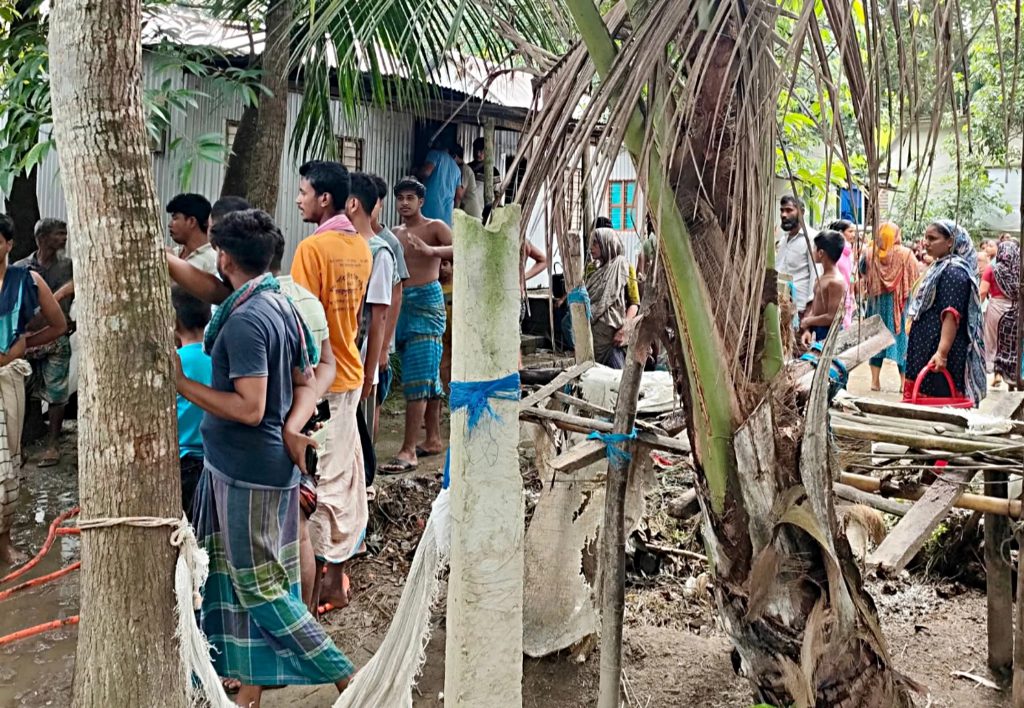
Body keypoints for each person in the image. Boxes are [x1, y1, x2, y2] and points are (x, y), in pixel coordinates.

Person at [175, 209, 353, 706]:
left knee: (259, 587)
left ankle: (347, 677)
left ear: (225, 258)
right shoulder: (276, 300)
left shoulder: (246, 321)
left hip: (248, 470)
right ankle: (248, 692)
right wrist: (292, 427)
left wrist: (182, 384)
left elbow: (250, 408)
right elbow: (305, 379)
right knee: (244, 582)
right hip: (257, 465)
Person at [290, 160, 372, 612]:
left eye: (303, 192)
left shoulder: (312, 250)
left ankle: (326, 582)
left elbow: (303, 327)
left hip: (322, 379)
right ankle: (334, 577)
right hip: (349, 371)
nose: (298, 199)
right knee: (346, 472)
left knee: (324, 482)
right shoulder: (361, 247)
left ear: (324, 198)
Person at [0, 215, 66, 564]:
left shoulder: (26, 280)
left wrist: (23, 345)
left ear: (9, 244)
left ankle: (3, 541)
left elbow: (58, 324)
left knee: (7, 463)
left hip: (8, 377)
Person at [380, 177, 452, 473]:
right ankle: (432, 439)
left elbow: (463, 249)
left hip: (427, 302)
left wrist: (432, 252)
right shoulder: (395, 233)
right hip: (402, 303)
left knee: (418, 376)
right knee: (427, 374)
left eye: (410, 198)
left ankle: (408, 450)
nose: (404, 203)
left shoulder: (435, 227)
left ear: (421, 201)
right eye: (400, 198)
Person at [904, 220, 986, 406]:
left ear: (950, 242)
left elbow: (951, 315)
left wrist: (941, 353)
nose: (926, 243)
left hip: (938, 351)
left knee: (938, 403)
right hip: (927, 347)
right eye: (926, 238)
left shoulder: (954, 273)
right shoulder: (939, 267)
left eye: (933, 238)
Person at [17, 218, 74, 468]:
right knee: (22, 392)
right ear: (42, 238)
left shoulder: (69, 266)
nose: (64, 239)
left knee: (57, 393)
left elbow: (81, 287)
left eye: (64, 234)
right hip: (28, 339)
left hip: (57, 337)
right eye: (58, 234)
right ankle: (18, 447)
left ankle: (53, 445)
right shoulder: (21, 268)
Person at [349, 172, 396, 433]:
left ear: (353, 204)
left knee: (363, 429)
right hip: (341, 359)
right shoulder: (342, 244)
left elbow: (380, 315)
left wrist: (370, 372)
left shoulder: (380, 252)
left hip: (363, 354)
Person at [861, 222, 919, 392]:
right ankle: (903, 383)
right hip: (900, 305)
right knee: (903, 341)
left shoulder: (870, 253)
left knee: (876, 340)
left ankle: (875, 382)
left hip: (877, 304)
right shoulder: (907, 254)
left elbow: (862, 271)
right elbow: (916, 277)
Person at [369, 174, 408, 423]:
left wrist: (384, 347)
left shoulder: (388, 244)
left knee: (373, 399)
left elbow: (396, 295)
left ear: (381, 204)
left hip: (378, 336)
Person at [171, 286, 212, 521]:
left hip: (182, 463)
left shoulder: (174, 363)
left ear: (174, 322)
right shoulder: (219, 358)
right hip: (213, 461)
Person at [586, 227, 634, 368]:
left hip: (613, 340)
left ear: (607, 243)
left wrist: (624, 330)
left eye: (595, 243)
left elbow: (634, 303)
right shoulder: (592, 269)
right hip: (593, 340)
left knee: (616, 377)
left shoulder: (623, 267)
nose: (591, 247)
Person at [799, 230, 848, 346]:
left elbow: (832, 317)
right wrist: (808, 329)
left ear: (821, 253)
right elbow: (815, 308)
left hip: (829, 333)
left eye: (814, 248)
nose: (812, 251)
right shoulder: (821, 277)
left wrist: (808, 321)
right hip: (817, 329)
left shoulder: (836, 282)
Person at [775, 195, 819, 314]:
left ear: (801, 212)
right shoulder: (783, 240)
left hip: (800, 309)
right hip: (781, 308)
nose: (784, 215)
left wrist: (809, 309)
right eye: (782, 210)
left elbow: (816, 275)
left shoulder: (811, 238)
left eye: (789, 210)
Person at [988, 241, 1020, 387]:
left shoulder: (993, 269)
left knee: (997, 345)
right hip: (1017, 310)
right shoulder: (1019, 270)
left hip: (996, 310)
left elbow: (983, 290)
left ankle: (998, 373)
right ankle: (1013, 378)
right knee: (1013, 345)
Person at [167, 193, 217, 274]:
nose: (169, 224)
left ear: (192, 221)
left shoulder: (212, 260)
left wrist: (171, 261)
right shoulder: (175, 252)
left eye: (175, 218)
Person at [416, 141, 462, 226]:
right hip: (447, 217)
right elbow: (459, 196)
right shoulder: (457, 169)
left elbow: (426, 172)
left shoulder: (434, 154)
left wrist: (416, 171)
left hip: (430, 212)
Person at [827, 219, 856, 328]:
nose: (853, 235)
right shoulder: (833, 252)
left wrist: (852, 293)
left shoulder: (849, 253)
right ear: (840, 233)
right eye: (850, 231)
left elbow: (851, 275)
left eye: (854, 231)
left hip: (847, 295)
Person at [469, 136, 502, 220]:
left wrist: (492, 212)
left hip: (483, 215)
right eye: (476, 150)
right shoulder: (467, 168)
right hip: (466, 212)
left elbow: (498, 195)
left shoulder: (493, 172)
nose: (478, 154)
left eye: (481, 151)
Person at [452, 144, 482, 219]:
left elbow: (459, 195)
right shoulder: (460, 168)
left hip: (472, 214)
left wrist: (454, 214)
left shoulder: (464, 169)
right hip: (467, 213)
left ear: (454, 156)